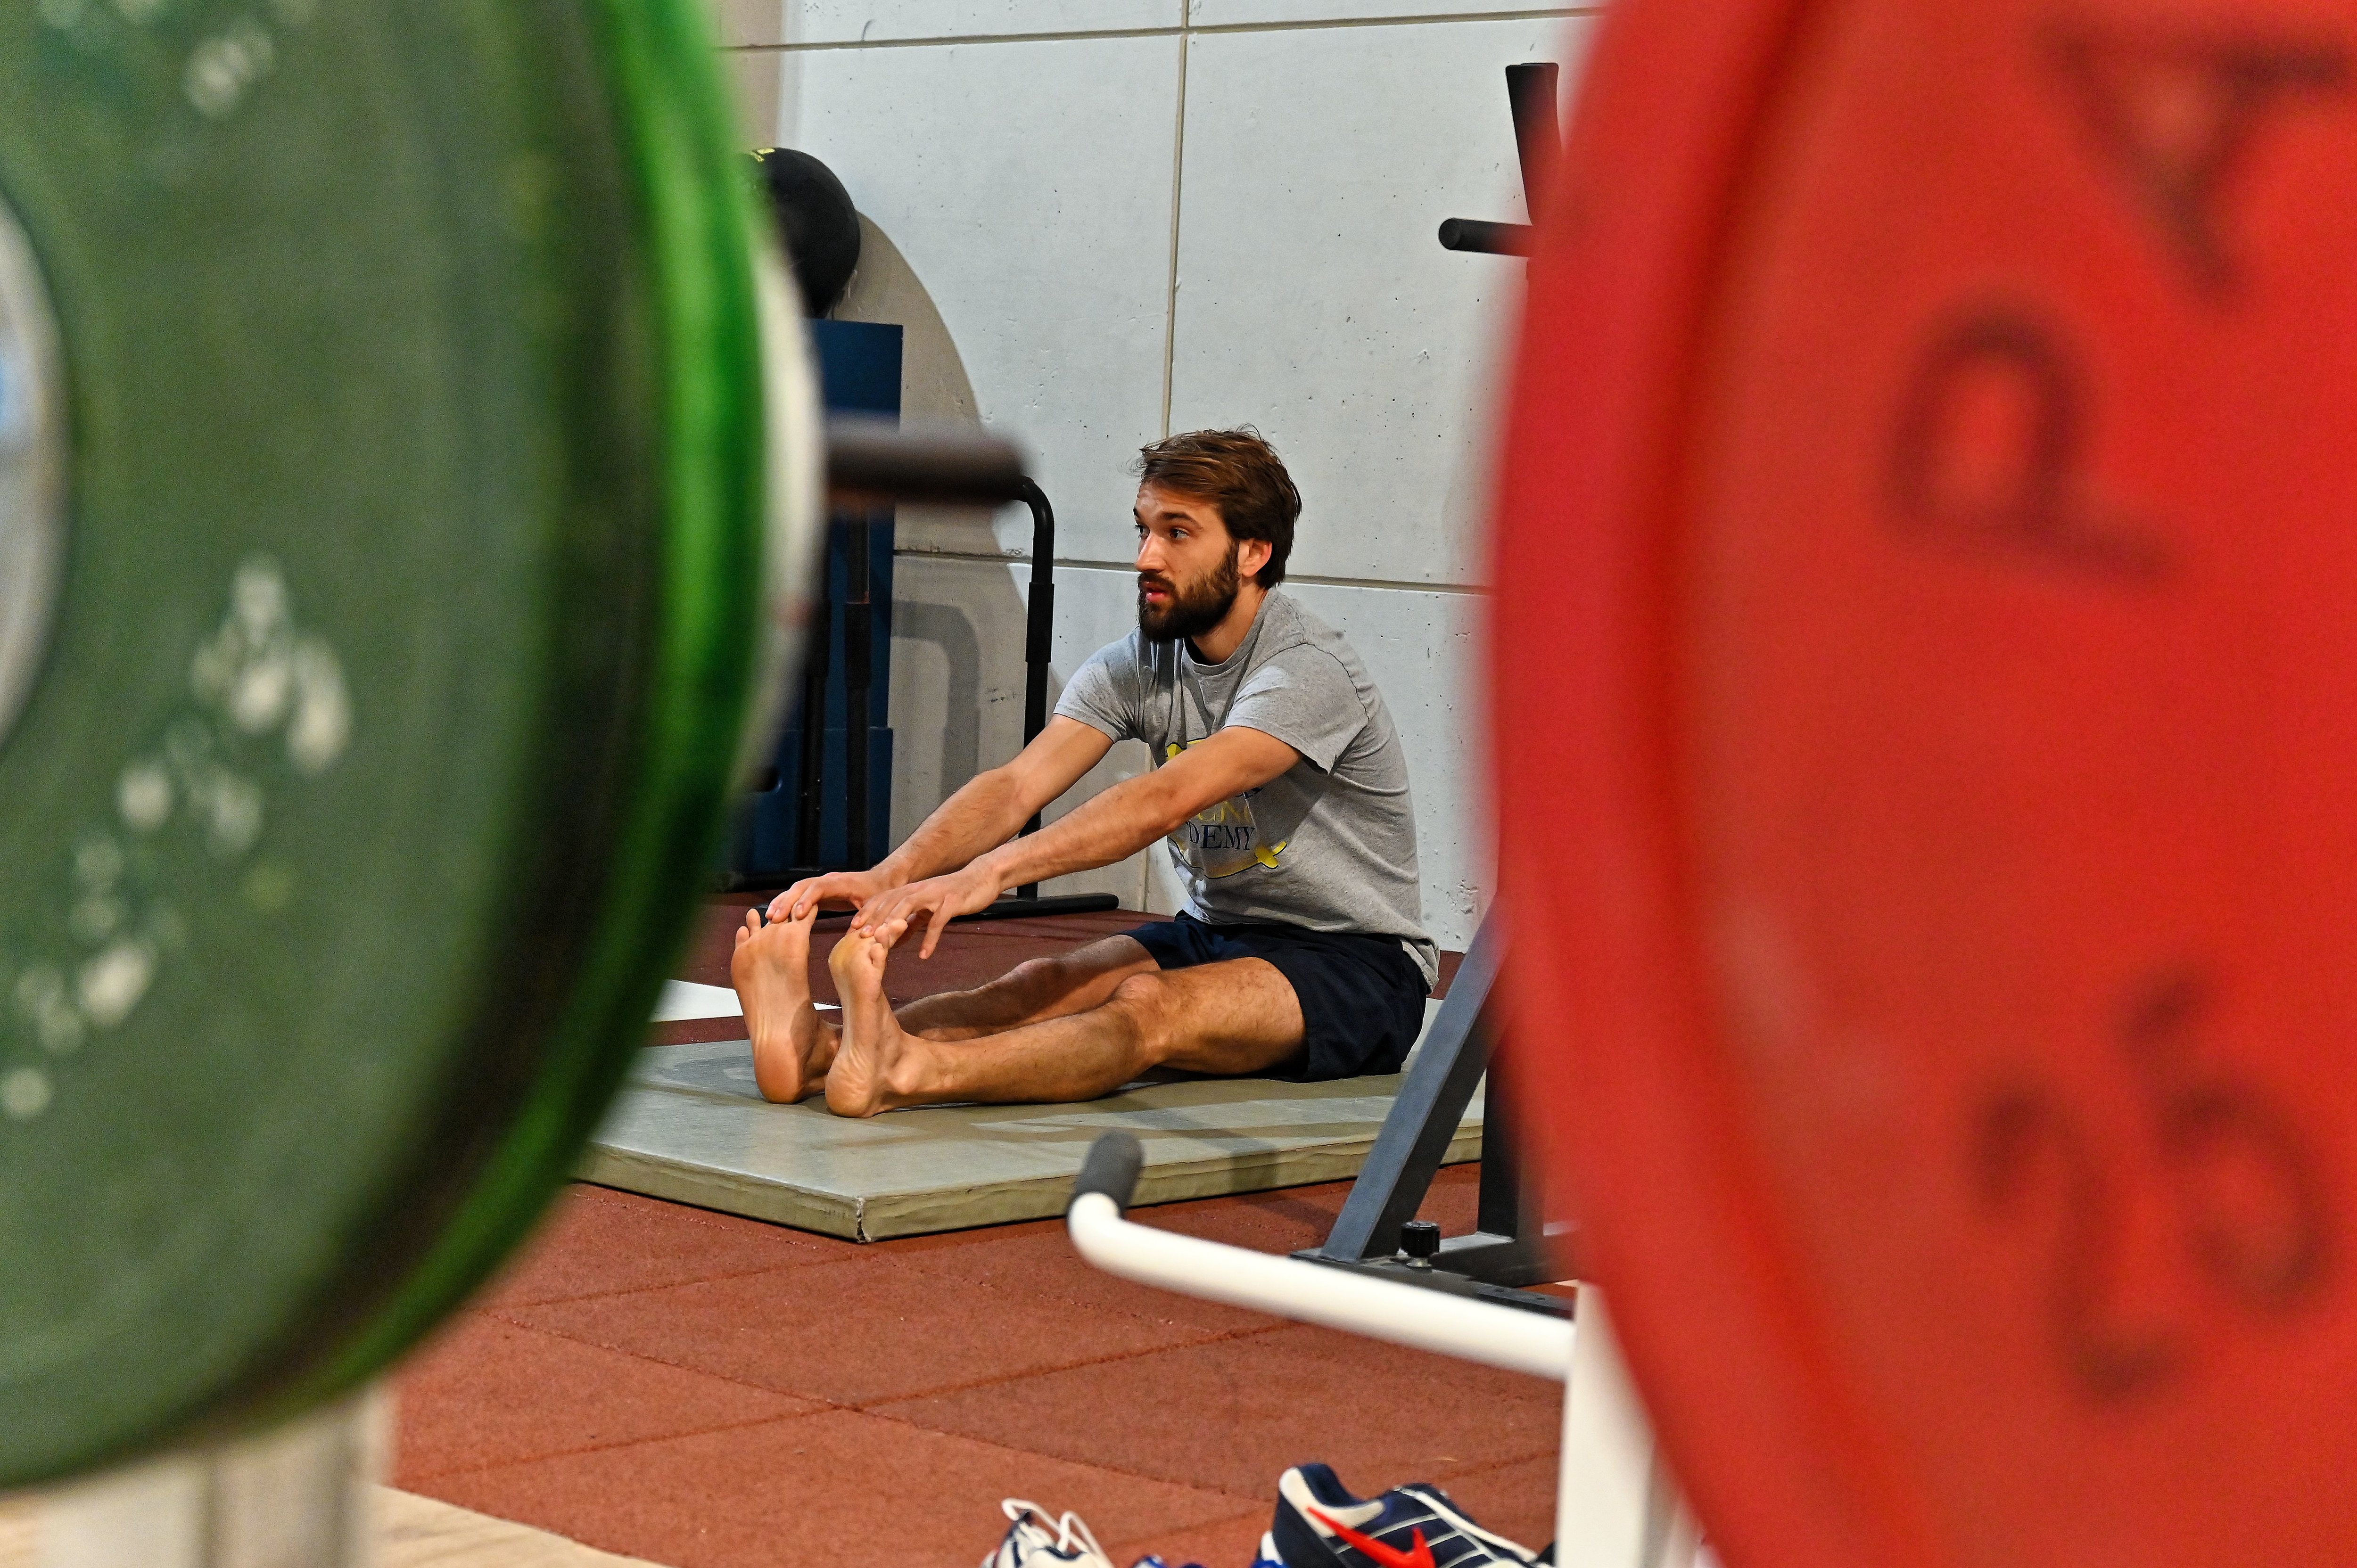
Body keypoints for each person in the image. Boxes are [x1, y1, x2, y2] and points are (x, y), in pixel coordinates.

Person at [730, 428, 1437, 1116]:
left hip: (1358, 967)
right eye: (1143, 530)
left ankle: (909, 1070)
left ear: (1254, 553)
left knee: (1147, 1010)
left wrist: (989, 874)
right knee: (1039, 983)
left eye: (1177, 534)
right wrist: (897, 874)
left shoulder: (1304, 671)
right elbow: (1017, 785)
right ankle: (825, 1051)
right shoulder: (1139, 663)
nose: (1145, 558)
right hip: (1219, 932)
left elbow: (1165, 799)